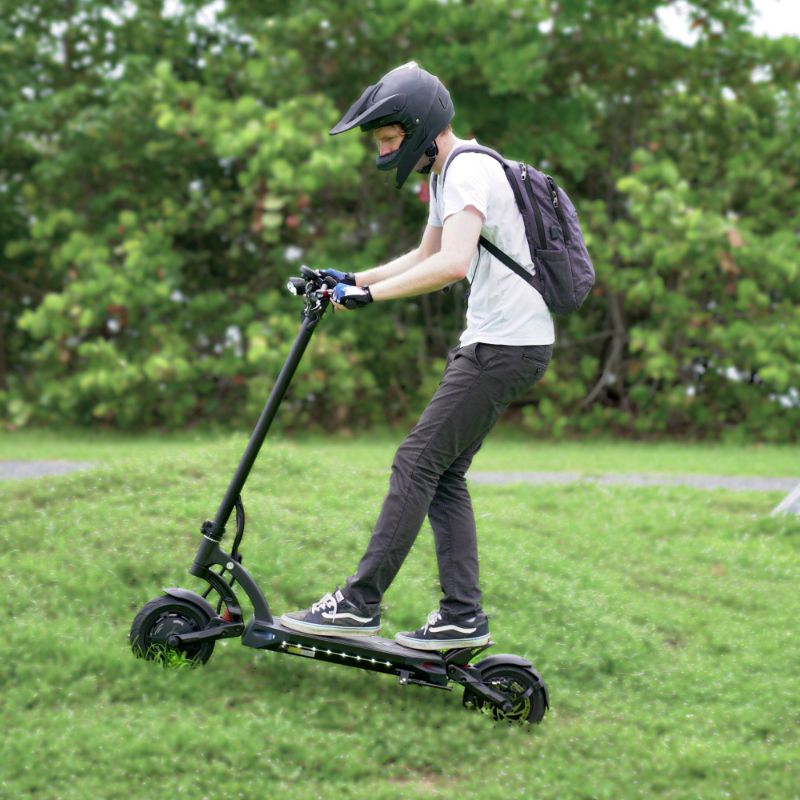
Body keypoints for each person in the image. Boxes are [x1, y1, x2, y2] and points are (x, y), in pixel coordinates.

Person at [281, 62, 554, 650]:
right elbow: (424, 252)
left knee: (415, 462)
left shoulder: (467, 173)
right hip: (505, 343)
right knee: (443, 474)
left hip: (502, 346)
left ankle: (359, 603)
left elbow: (453, 264)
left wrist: (370, 295)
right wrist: (351, 278)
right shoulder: (454, 171)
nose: (382, 151)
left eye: (387, 139)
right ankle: (461, 617)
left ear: (419, 125)